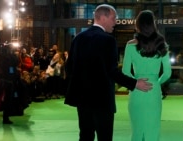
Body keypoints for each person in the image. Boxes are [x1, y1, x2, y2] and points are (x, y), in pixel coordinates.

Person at [64, 4, 152, 141]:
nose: (115, 22)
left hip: (82, 99)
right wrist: (135, 83)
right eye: (113, 18)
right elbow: (112, 71)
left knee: (85, 135)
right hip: (102, 100)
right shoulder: (108, 40)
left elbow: (69, 68)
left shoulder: (78, 38)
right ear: (103, 17)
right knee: (104, 137)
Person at [122, 10, 172, 141]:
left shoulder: (130, 45)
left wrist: (136, 82)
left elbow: (125, 72)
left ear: (138, 25)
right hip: (154, 91)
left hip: (136, 91)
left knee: (137, 131)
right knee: (153, 131)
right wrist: (156, 82)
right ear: (153, 24)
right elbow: (167, 73)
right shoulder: (163, 45)